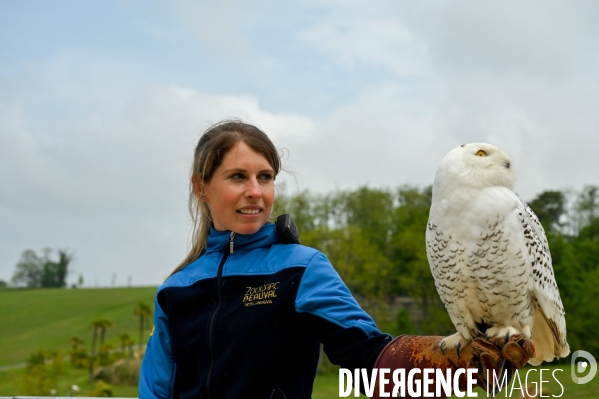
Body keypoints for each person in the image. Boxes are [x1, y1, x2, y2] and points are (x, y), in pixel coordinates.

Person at [139, 120, 533, 398]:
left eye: (266, 177)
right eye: (238, 177)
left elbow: (368, 360)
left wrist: (447, 363)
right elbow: (155, 390)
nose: (256, 191)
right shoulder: (176, 291)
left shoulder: (300, 268)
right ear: (201, 187)